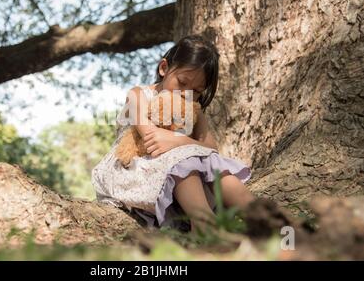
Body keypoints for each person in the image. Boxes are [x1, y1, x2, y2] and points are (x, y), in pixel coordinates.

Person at [91, 34, 255, 233]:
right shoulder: (138, 94)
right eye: (182, 82)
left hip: (179, 171)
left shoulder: (193, 109)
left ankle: (259, 216)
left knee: (211, 162)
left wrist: (181, 140)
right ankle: (204, 223)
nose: (186, 94)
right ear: (163, 68)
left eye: (196, 90)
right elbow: (151, 136)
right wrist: (183, 144)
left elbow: (211, 148)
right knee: (183, 158)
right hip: (134, 166)